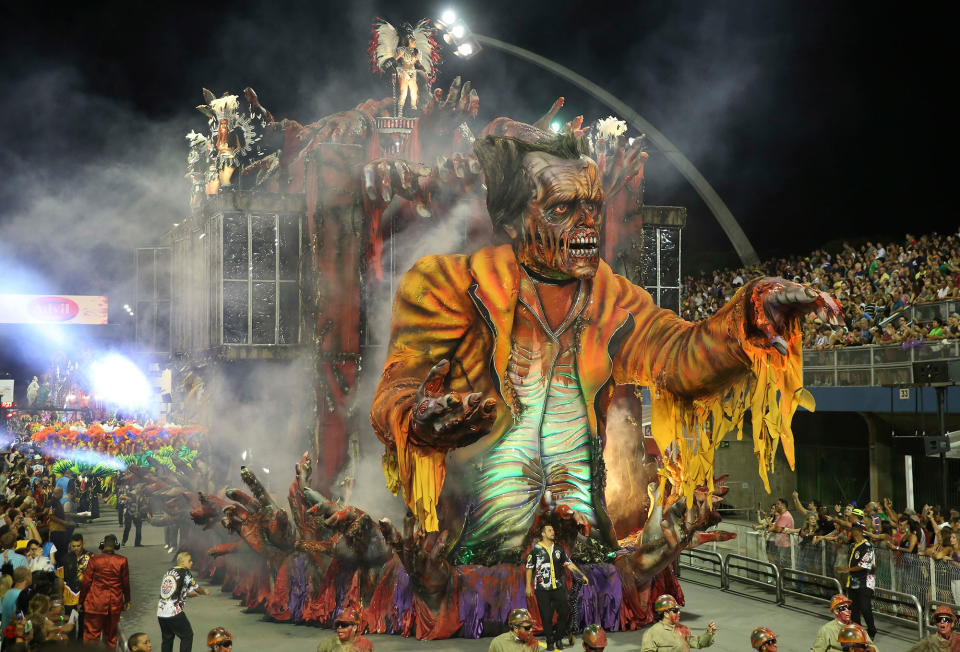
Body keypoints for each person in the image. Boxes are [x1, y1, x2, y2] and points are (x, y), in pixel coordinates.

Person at [525, 524, 590, 651]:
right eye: (549, 530)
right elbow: (529, 568)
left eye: (553, 530)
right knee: (546, 616)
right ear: (543, 534)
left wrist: (582, 575)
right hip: (542, 589)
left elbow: (569, 565)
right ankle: (550, 640)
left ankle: (558, 637)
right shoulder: (535, 550)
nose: (552, 532)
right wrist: (528, 585)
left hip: (557, 587)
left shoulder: (559, 550)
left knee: (565, 611)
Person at [79, 533, 130, 648]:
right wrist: (127, 600)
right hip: (114, 604)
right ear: (116, 546)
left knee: (91, 637)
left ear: (102, 545)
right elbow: (125, 583)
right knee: (111, 638)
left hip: (95, 603)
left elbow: (86, 582)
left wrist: (81, 601)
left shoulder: (94, 560)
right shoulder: (122, 560)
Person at [157, 551, 209, 652]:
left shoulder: (169, 571)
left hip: (161, 612)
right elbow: (197, 588)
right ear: (182, 562)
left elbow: (171, 591)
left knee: (167, 639)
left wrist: (188, 595)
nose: (192, 563)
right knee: (187, 636)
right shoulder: (185, 573)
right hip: (173, 612)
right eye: (189, 561)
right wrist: (204, 592)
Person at [839, 521, 877, 639]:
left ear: (860, 532)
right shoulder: (852, 546)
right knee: (853, 609)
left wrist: (848, 569)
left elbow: (865, 564)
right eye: (852, 530)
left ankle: (872, 630)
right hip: (853, 582)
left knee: (865, 607)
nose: (852, 532)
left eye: (854, 530)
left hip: (866, 582)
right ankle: (858, 630)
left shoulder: (868, 546)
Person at [640, 594, 717, 652]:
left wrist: (709, 633)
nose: (679, 613)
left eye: (678, 610)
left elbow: (698, 643)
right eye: (675, 611)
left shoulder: (683, 629)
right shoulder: (652, 633)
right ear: (666, 614)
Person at [811, 594, 876, 652]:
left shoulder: (858, 628)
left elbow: (872, 646)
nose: (847, 610)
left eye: (849, 608)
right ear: (836, 611)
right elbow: (817, 650)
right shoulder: (827, 629)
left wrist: (873, 649)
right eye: (843, 608)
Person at [62, 532, 90, 639]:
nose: (76, 548)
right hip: (70, 599)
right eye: (74, 546)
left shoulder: (91, 557)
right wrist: (60, 597)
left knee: (84, 628)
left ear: (83, 544)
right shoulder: (65, 559)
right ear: (70, 545)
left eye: (78, 546)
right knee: (70, 627)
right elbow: (61, 579)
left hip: (86, 599)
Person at [1, 566, 31, 632]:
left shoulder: (8, 592)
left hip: (7, 637)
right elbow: (19, 616)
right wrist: (29, 630)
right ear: (27, 577)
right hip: (16, 638)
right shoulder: (20, 595)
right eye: (30, 575)